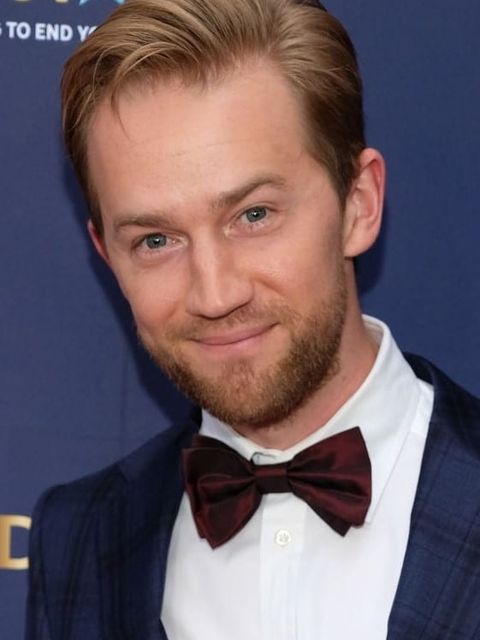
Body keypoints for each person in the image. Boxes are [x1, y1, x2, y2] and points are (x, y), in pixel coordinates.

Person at [25, 0, 480, 638]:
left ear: (358, 204)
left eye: (254, 215)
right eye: (156, 240)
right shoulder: (77, 539)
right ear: (107, 256)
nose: (215, 294)